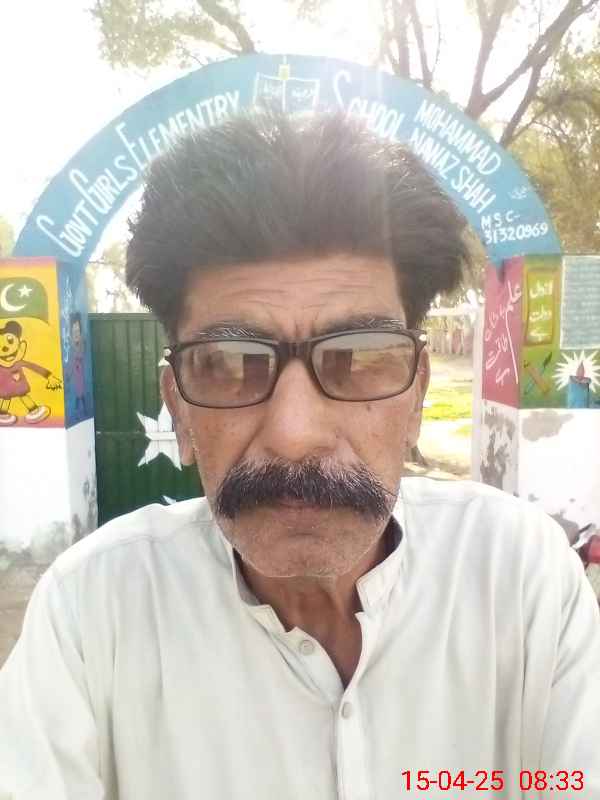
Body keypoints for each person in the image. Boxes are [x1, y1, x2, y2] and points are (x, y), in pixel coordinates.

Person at [1, 111, 599, 799]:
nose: (294, 433)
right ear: (179, 408)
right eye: (229, 364)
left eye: (359, 358)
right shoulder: (92, 610)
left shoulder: (519, 578)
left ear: (416, 396)